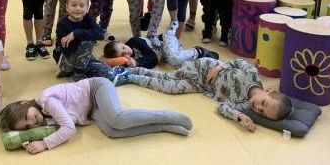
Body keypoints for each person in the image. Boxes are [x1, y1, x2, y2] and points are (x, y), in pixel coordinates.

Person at [0, 77, 193, 154]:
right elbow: (71, 119)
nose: (32, 123)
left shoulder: (46, 101)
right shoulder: (44, 116)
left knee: (117, 118)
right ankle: (163, 127)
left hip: (96, 88)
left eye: (27, 117)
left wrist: (45, 143)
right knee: (112, 131)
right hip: (91, 109)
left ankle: (168, 116)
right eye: (27, 127)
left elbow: (69, 129)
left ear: (24, 104)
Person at [123, 58, 292, 132]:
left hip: (202, 86)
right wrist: (219, 67)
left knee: (169, 88)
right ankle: (134, 70)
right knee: (169, 76)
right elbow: (237, 62)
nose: (258, 107)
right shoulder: (252, 74)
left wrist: (239, 116)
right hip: (205, 68)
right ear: (268, 91)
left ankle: (130, 78)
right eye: (264, 103)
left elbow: (222, 108)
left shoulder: (243, 104)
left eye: (261, 112)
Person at [53, 0, 104, 81]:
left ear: (87, 7)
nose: (78, 8)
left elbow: (100, 35)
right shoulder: (62, 24)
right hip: (66, 58)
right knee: (88, 40)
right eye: (74, 5)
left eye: (82, 5)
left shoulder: (88, 18)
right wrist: (85, 35)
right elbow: (66, 48)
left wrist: (76, 34)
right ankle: (76, 75)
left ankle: (72, 71)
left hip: (81, 59)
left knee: (105, 72)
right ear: (67, 7)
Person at [102, 33, 218, 70]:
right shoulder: (125, 60)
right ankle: (205, 59)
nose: (126, 53)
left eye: (123, 48)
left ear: (122, 42)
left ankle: (199, 51)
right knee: (185, 69)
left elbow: (152, 58)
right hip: (165, 57)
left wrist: (137, 63)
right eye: (122, 54)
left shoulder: (135, 41)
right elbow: (103, 60)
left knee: (174, 58)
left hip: (166, 41)